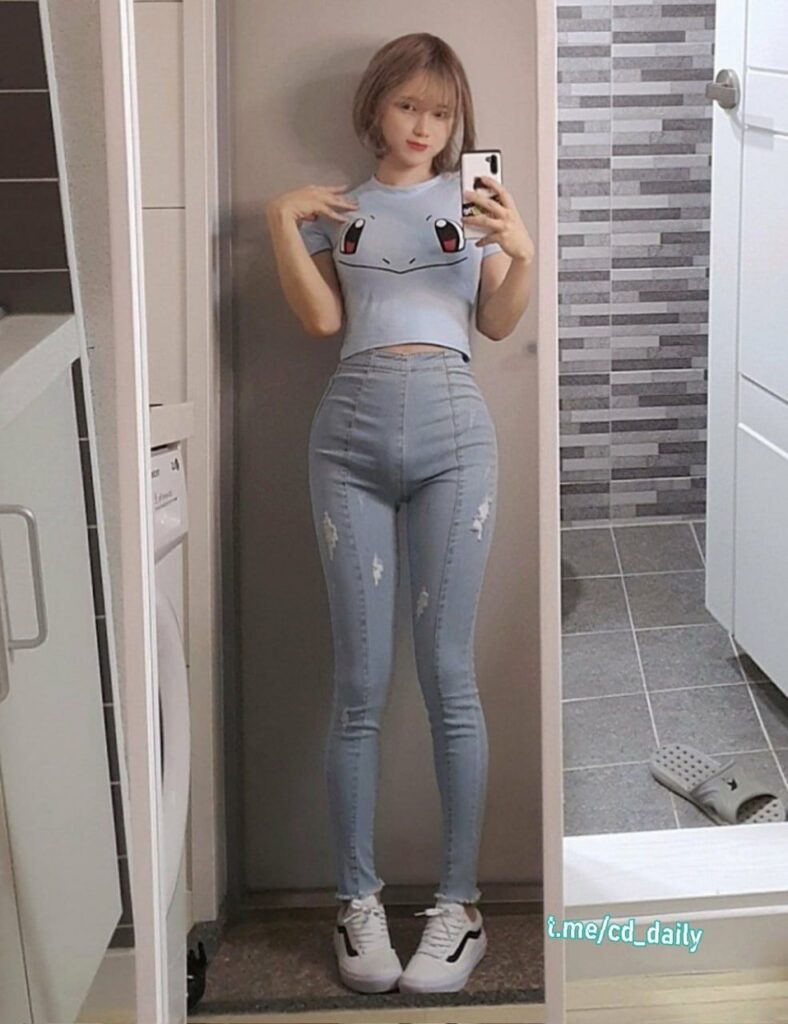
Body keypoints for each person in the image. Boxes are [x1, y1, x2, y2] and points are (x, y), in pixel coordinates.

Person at [265, 32, 533, 996]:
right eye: (408, 105)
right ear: (376, 104)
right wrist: (280, 219)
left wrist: (522, 249)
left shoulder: (473, 203)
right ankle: (357, 900)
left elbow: (496, 322)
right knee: (359, 682)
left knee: (450, 674)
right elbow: (321, 321)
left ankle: (460, 907)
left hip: (456, 434)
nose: (424, 126)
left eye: (441, 112)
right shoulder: (337, 211)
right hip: (349, 439)